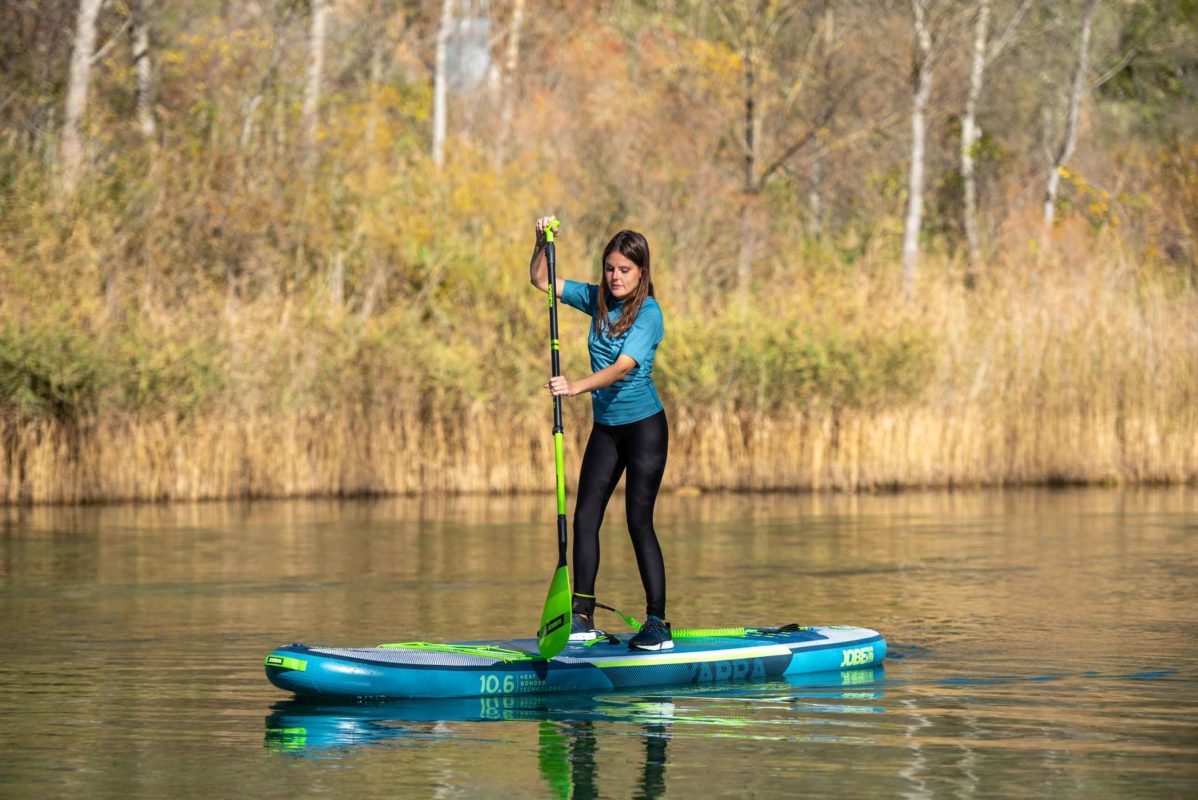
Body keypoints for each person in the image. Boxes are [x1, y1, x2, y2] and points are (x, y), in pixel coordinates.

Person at [528, 216, 672, 651]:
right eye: (609, 268)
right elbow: (541, 281)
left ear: (641, 272)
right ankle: (582, 617)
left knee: (637, 521)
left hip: (645, 429)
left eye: (624, 270)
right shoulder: (595, 299)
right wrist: (540, 242)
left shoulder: (650, 314)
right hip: (607, 430)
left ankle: (658, 625)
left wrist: (575, 386)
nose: (615, 277)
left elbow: (621, 368)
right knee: (585, 517)